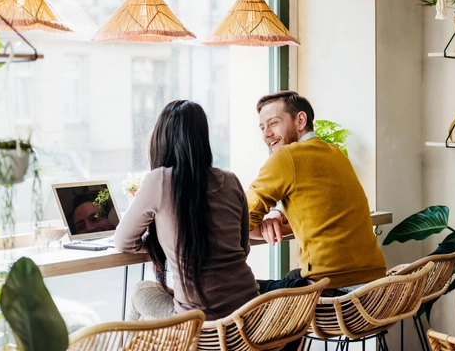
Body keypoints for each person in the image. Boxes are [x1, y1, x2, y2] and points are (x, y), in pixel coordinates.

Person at [115, 100, 259, 321]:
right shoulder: (230, 180)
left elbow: (123, 241)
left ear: (163, 138)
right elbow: (242, 247)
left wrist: (164, 246)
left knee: (140, 291)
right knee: (168, 296)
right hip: (249, 316)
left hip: (202, 326)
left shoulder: (159, 180)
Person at [247, 90, 387, 293]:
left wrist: (263, 222)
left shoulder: (287, 156)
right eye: (262, 127)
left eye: (274, 123)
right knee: (292, 277)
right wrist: (277, 212)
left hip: (334, 291)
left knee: (240, 290)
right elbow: (318, 203)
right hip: (375, 288)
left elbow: (239, 218)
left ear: (300, 120)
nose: (266, 134)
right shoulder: (335, 152)